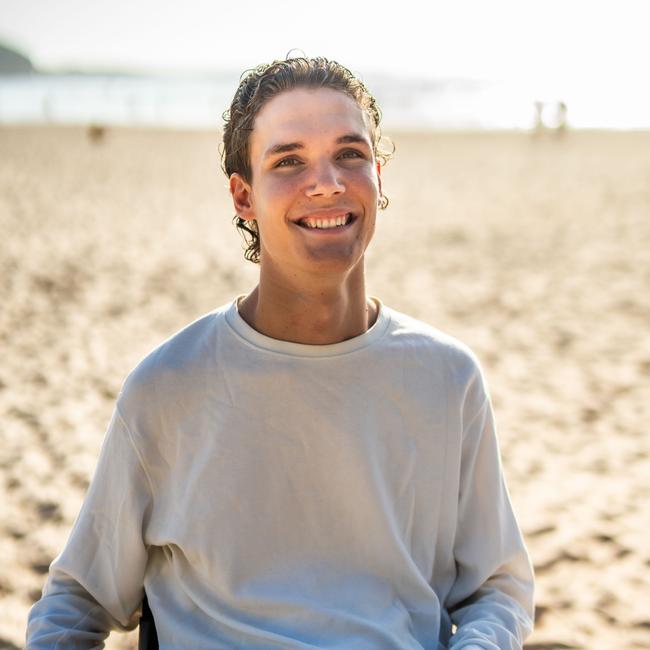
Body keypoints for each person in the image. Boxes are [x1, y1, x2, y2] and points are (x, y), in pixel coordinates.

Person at [26, 56, 534, 649]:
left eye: (350, 154)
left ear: (378, 175)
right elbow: (79, 600)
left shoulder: (449, 379)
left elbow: (496, 587)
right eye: (289, 161)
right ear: (243, 196)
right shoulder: (168, 386)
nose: (327, 182)